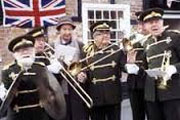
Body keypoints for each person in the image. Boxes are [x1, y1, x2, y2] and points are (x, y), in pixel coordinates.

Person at [126, 8, 180, 120]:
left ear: (162, 22)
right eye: (150, 22)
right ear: (145, 26)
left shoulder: (175, 37)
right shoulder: (146, 43)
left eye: (157, 21)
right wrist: (135, 68)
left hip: (172, 93)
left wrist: (174, 68)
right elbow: (146, 70)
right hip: (151, 94)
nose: (154, 24)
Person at [1, 35, 66, 120]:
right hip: (18, 116)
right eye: (20, 50)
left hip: (39, 115)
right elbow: (8, 96)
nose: (25, 52)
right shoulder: (8, 71)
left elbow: (53, 88)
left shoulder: (41, 67)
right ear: (15, 54)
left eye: (28, 49)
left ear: (33, 51)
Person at [77, 21, 126, 120]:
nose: (105, 36)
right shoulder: (86, 52)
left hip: (113, 95)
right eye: (101, 34)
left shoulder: (116, 50)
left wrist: (129, 62)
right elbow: (83, 70)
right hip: (95, 96)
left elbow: (125, 67)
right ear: (94, 37)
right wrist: (82, 75)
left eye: (107, 33)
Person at [54, 16, 88, 120]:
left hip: (76, 87)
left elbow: (85, 65)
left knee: (79, 116)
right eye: (64, 29)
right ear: (59, 30)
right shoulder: (52, 47)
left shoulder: (80, 45)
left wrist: (84, 74)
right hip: (60, 88)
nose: (67, 32)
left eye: (69, 29)